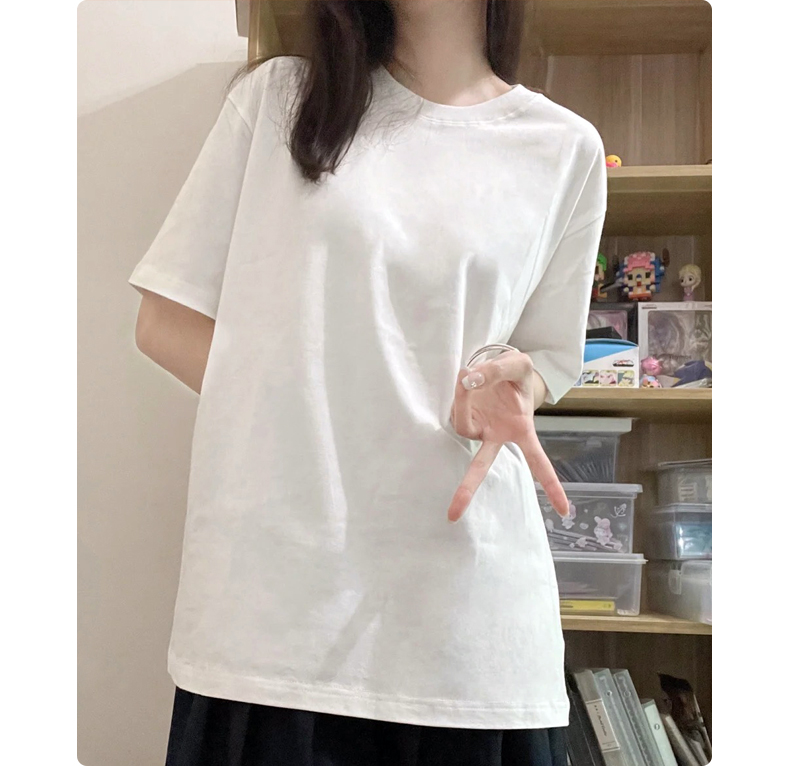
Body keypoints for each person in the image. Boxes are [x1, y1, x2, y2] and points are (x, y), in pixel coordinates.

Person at [128, 1, 606, 764]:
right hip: (276, 616)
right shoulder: (280, 100)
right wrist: (334, 411)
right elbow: (167, 322)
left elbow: (544, 359)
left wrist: (511, 386)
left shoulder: (564, 146)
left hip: (469, 624)